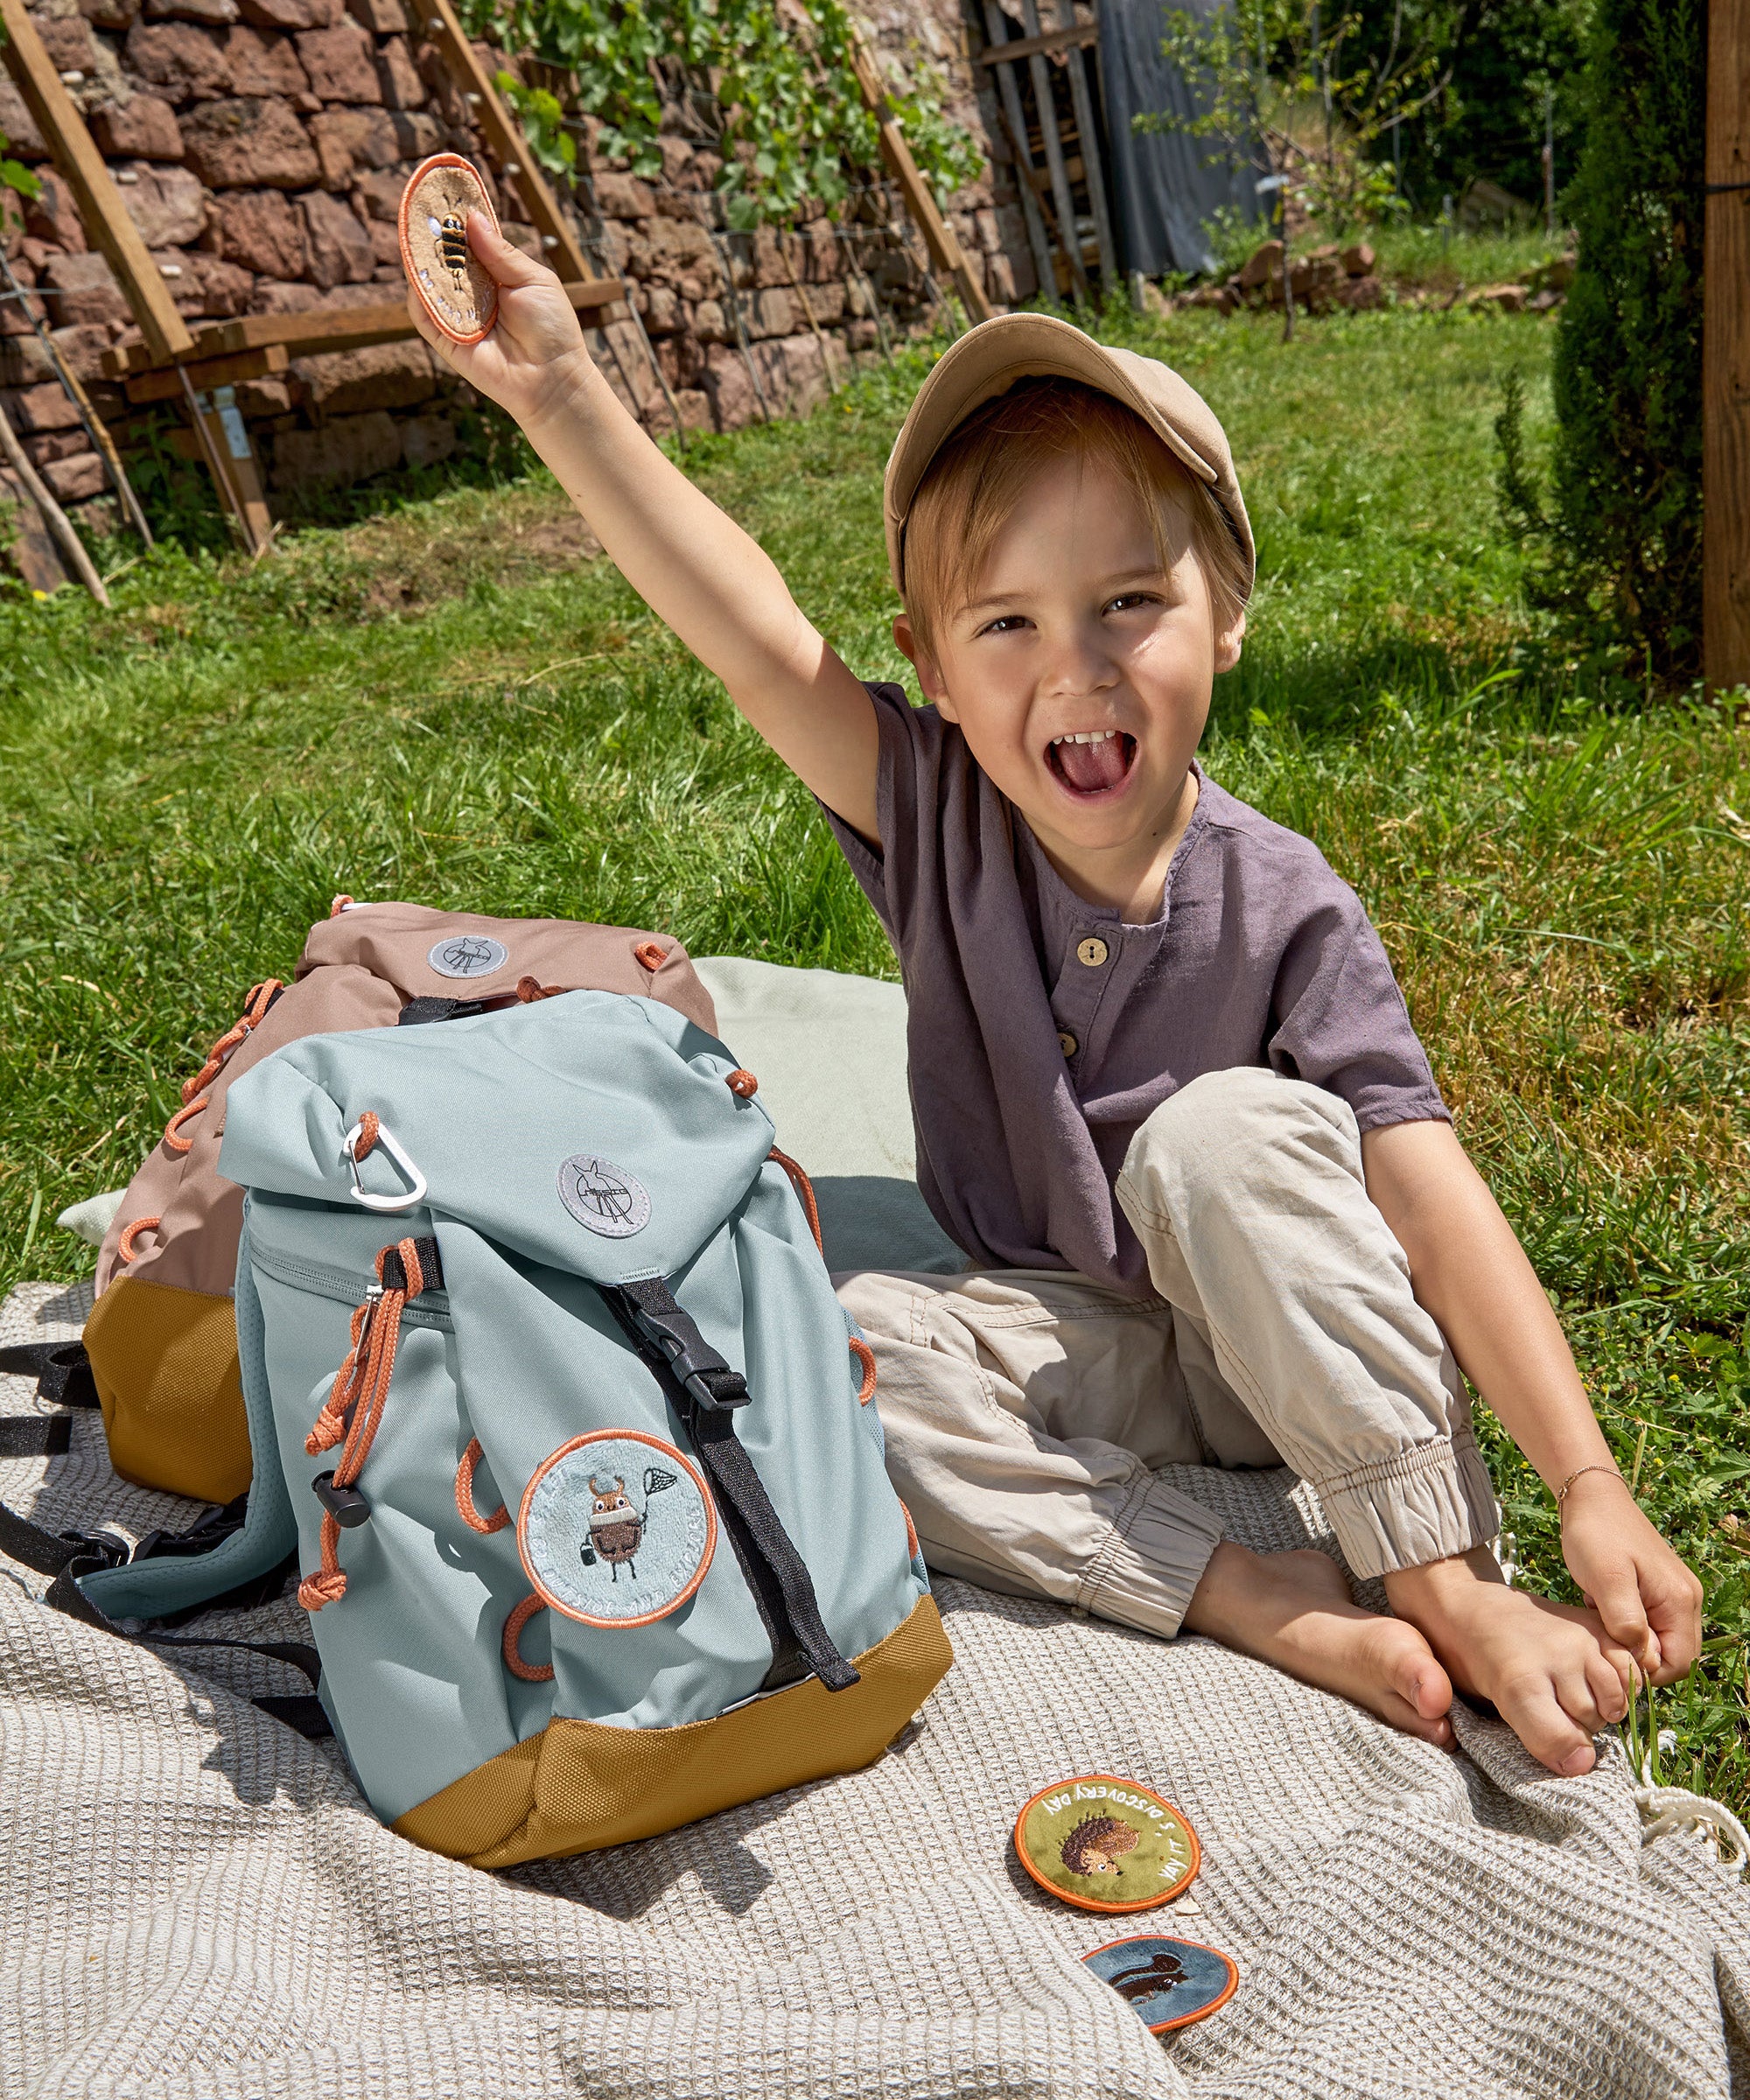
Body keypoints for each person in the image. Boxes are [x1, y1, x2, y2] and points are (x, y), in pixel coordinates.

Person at [407, 220, 1703, 1775]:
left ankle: (1438, 1576)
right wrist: (560, 395)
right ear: (932, 668)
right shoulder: (938, 813)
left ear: (1226, 611)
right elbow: (748, 636)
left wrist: (1587, 1480)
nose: (1072, 669)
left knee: (1218, 1139)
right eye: (1005, 623)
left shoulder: (1286, 903)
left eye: (1128, 604)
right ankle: (1248, 1592)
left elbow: (1426, 1194)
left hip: (1283, 1330)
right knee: (840, 1360)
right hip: (1083, 1343)